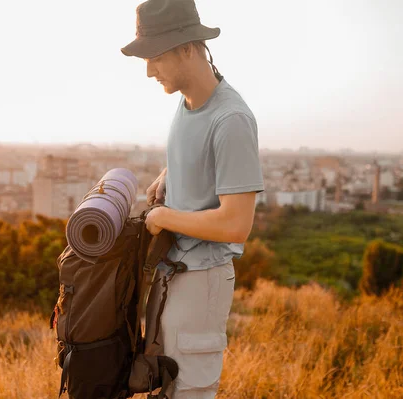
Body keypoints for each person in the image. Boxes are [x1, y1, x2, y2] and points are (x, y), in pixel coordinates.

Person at [121, 0, 265, 397]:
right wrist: (171, 174)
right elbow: (201, 153)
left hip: (202, 281)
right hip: (175, 275)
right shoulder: (188, 103)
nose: (149, 70)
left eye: (155, 57)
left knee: (188, 392)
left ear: (187, 47)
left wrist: (164, 218)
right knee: (163, 388)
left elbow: (237, 224)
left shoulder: (231, 119)